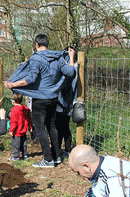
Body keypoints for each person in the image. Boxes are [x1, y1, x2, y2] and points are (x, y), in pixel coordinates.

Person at [4, 34, 76, 168]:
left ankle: (48, 159)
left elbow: (30, 79)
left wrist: (13, 85)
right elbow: (70, 72)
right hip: (53, 98)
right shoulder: (58, 57)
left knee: (40, 129)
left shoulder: (36, 58)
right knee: (52, 127)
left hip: (40, 99)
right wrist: (71, 57)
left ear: (36, 44)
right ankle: (57, 157)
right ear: (47, 44)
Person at [56, 46, 78, 158]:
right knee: (64, 126)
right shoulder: (72, 67)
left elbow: (69, 81)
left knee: (60, 127)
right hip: (64, 102)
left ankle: (61, 150)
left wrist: (71, 57)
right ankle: (65, 149)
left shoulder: (74, 69)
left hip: (65, 102)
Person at [9, 94, 31, 161]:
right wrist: (30, 126)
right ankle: (25, 154)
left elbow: (14, 121)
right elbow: (29, 118)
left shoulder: (14, 110)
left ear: (13, 101)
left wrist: (11, 130)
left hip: (17, 131)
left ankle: (16, 156)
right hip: (24, 129)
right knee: (23, 143)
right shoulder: (25, 108)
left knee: (16, 144)